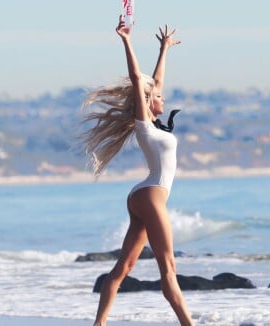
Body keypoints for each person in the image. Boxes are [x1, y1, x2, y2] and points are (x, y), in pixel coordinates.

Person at [81, 15, 194, 326]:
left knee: (124, 267)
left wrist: (165, 49)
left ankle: (99, 323)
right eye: (157, 96)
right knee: (168, 268)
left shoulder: (155, 128)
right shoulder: (145, 128)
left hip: (141, 196)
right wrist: (127, 40)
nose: (162, 95)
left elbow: (154, 83)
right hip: (152, 196)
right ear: (147, 102)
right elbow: (137, 80)